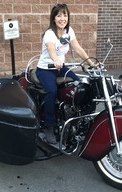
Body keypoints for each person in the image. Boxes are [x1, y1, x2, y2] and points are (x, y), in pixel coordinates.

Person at [36, 3, 94, 144]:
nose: (62, 18)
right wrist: (55, 59)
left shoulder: (69, 32)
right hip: (45, 69)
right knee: (52, 91)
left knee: (81, 85)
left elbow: (78, 48)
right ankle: (48, 126)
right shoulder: (49, 33)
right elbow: (51, 48)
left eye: (65, 15)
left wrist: (91, 63)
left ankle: (81, 118)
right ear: (54, 18)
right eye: (59, 15)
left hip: (61, 68)